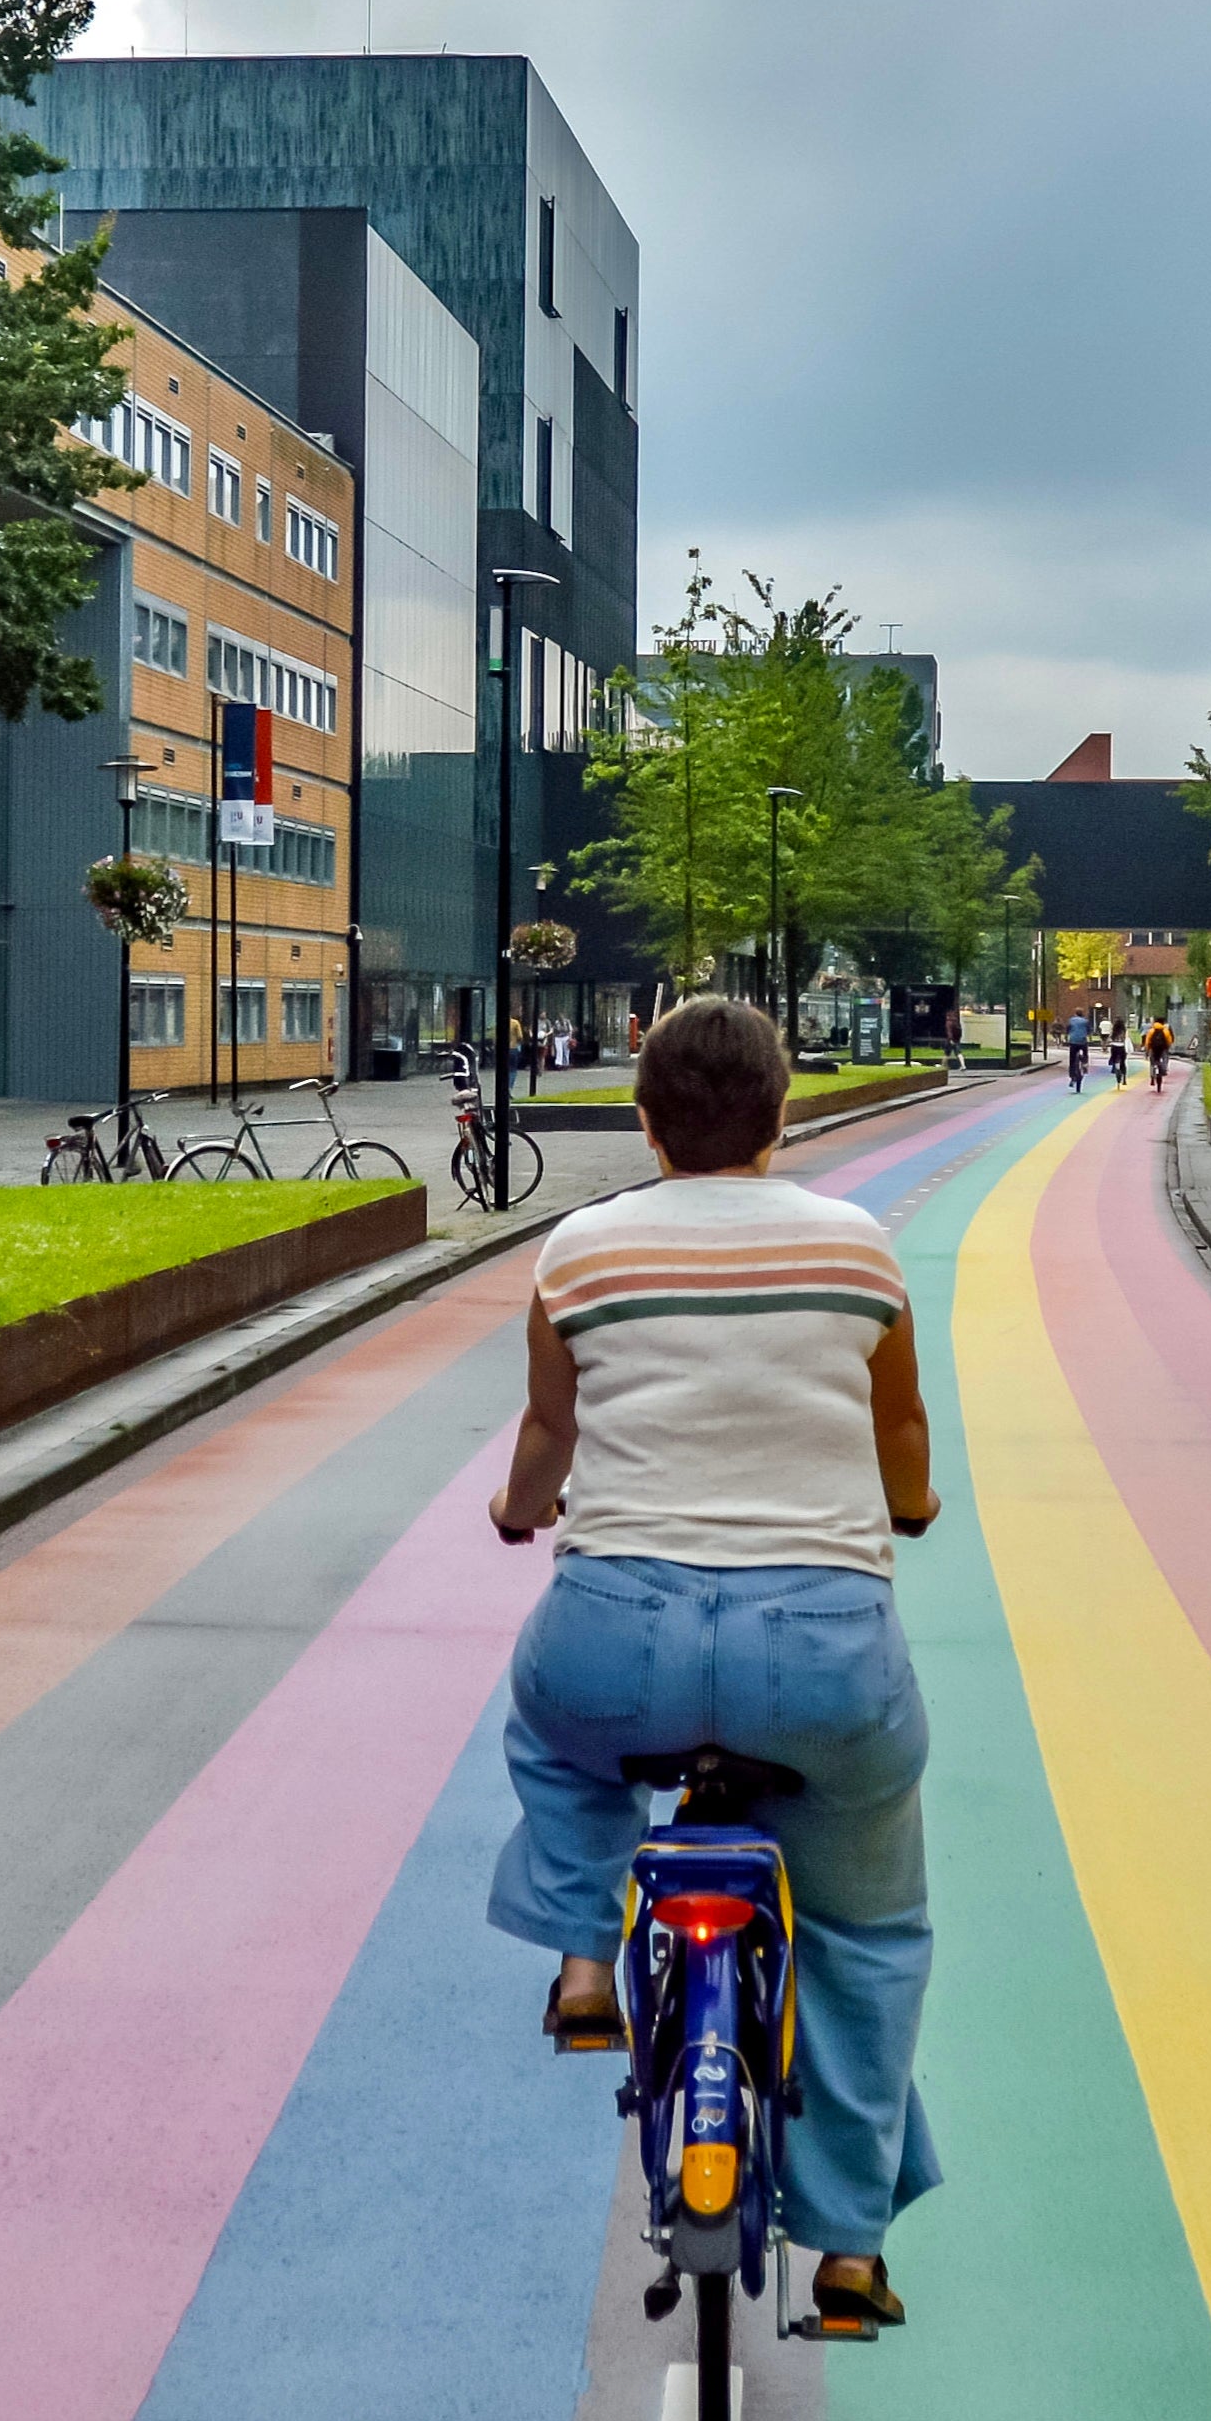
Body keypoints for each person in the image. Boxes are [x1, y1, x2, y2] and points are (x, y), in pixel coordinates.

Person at [488, 994, 941, 2342]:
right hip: (820, 1653)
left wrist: (522, 1512)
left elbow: (546, 1431)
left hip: (615, 1632)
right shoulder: (856, 1246)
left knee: (548, 1734)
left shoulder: (579, 1251)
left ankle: (583, 1960)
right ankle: (849, 2247)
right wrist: (905, 1508)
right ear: (780, 1112)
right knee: (866, 1937)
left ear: (643, 1116)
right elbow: (898, 1422)